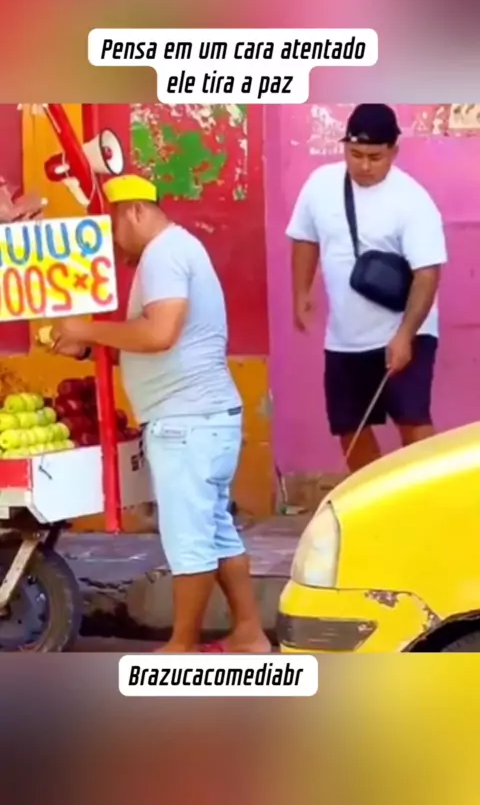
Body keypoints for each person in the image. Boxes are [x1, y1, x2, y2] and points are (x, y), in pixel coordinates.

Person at [53, 174, 270, 654]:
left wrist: (88, 329)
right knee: (216, 532)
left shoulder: (164, 254)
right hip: (204, 418)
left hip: (187, 422)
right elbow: (152, 343)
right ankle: (249, 633)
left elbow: (159, 334)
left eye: (113, 227)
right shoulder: (174, 250)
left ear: (134, 211)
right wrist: (88, 346)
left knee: (188, 538)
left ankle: (182, 647)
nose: (113, 244)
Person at [287, 103, 448, 472]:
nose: (363, 165)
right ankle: (375, 499)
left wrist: (405, 336)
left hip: (406, 330)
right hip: (344, 337)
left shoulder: (413, 200)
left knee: (413, 422)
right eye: (355, 154)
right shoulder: (320, 185)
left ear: (394, 151)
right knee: (350, 428)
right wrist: (301, 294)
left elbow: (427, 274)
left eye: (375, 157)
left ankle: (431, 498)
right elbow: (305, 237)